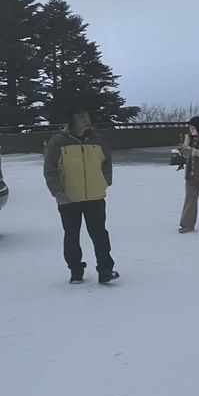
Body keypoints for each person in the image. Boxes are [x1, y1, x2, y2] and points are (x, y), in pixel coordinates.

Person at [43, 107, 119, 284]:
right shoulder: (58, 142)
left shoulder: (97, 139)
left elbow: (107, 161)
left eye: (87, 115)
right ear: (72, 120)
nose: (86, 120)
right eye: (81, 116)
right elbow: (50, 169)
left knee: (99, 234)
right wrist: (58, 192)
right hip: (68, 198)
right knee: (71, 235)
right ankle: (76, 271)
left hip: (95, 196)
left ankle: (105, 270)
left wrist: (105, 180)